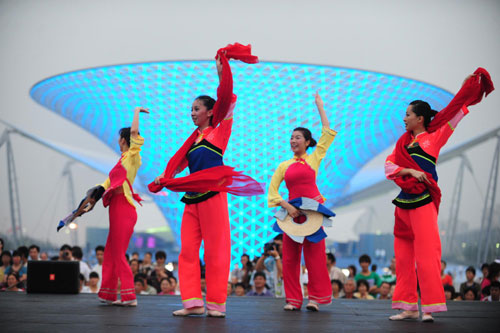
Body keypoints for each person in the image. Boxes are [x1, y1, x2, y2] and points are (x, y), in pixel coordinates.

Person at [149, 43, 261, 318]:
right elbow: (178, 164)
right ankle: (192, 302)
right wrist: (165, 179)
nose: (192, 112)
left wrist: (222, 70)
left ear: (210, 112)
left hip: (213, 193)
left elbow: (225, 96)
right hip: (193, 197)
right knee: (187, 250)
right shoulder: (193, 140)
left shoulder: (220, 131)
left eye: (196, 108)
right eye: (191, 109)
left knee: (216, 251)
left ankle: (216, 304)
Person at [385, 69, 494, 323]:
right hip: (402, 202)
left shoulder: (435, 137)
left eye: (408, 114)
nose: (404, 118)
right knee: (402, 258)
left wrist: (466, 88)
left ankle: (430, 308)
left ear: (420, 118)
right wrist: (410, 169)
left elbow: (455, 112)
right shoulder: (402, 143)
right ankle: (409, 307)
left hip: (423, 200)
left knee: (427, 255)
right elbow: (388, 167)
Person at [268, 92, 337, 312]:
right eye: (291, 137)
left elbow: (327, 133)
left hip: (313, 211)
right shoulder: (284, 165)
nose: (293, 140)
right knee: (289, 258)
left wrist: (320, 107)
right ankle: (293, 300)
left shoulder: (314, 158)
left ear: (307, 142)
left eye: (298, 137)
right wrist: (287, 206)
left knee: (315, 257)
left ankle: (315, 298)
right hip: (291, 213)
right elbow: (272, 191)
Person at [82, 106, 149, 306]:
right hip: (115, 207)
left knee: (118, 252)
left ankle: (129, 296)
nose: (117, 140)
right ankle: (108, 293)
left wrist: (136, 111)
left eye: (120, 137)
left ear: (123, 140)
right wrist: (90, 199)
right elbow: (106, 183)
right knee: (111, 251)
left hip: (124, 208)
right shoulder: (120, 161)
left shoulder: (133, 156)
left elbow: (135, 133)